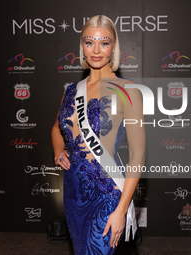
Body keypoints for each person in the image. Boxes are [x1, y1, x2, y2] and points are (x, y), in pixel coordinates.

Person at [51, 15, 145, 254]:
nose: (96, 50)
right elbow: (56, 128)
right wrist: (58, 151)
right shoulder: (71, 91)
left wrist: (121, 210)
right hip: (73, 193)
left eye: (104, 43)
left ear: (113, 47)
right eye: (89, 42)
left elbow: (137, 155)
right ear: (81, 45)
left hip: (106, 193)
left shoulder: (128, 90)